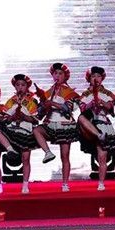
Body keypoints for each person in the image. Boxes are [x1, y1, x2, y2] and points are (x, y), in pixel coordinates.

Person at [33, 62, 80, 192]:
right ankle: (47, 152)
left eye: (60, 73)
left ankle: (65, 183)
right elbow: (40, 115)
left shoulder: (69, 92)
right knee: (36, 130)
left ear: (65, 76)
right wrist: (42, 105)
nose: (57, 76)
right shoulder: (48, 92)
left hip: (64, 125)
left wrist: (52, 103)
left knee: (65, 156)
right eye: (55, 73)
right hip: (50, 123)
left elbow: (68, 109)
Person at [77, 66, 115, 191]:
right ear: (89, 78)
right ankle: (98, 135)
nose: (96, 78)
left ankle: (101, 184)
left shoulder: (107, 92)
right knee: (81, 118)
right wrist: (91, 104)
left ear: (102, 78)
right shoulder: (85, 93)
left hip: (103, 124)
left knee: (102, 156)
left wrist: (102, 103)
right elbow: (82, 108)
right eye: (93, 76)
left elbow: (114, 105)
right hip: (90, 124)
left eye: (98, 76)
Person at [2, 74, 40, 194]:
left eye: (23, 85)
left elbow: (36, 120)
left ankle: (25, 185)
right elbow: (4, 118)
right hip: (12, 132)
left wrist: (24, 117)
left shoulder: (32, 101)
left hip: (26, 132)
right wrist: (12, 117)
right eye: (17, 85)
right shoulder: (10, 101)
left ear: (27, 87)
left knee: (26, 158)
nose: (20, 87)